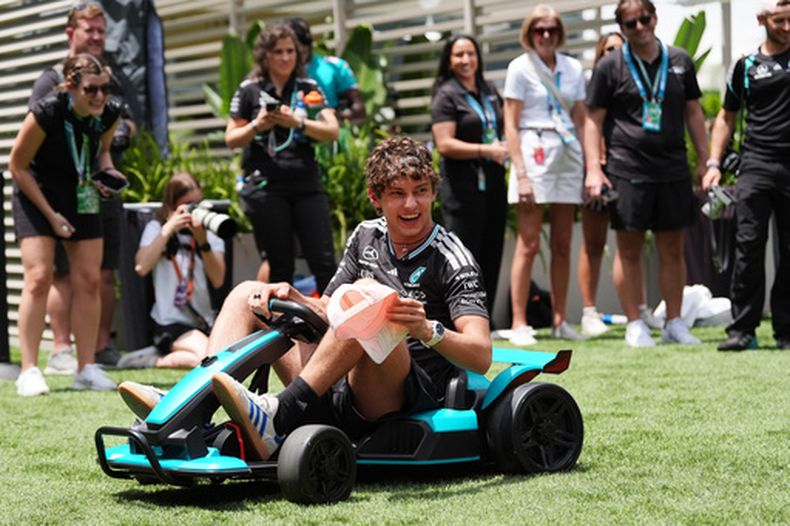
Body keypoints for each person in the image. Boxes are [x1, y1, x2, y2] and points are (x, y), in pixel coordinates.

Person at [118, 136, 492, 461]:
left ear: (432, 192)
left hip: (394, 396)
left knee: (374, 298)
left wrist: (428, 329)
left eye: (420, 191)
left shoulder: (450, 256)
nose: (411, 204)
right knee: (248, 293)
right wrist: (294, 296)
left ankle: (280, 415)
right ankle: (193, 409)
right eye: (398, 193)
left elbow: (481, 353)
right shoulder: (365, 236)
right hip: (334, 380)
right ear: (375, 198)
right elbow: (330, 307)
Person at [584, 0, 709, 348]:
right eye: (630, 23)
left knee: (672, 247)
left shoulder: (680, 60)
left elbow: (694, 113)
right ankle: (636, 323)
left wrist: (705, 159)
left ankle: (674, 322)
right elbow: (593, 121)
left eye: (644, 19)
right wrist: (594, 169)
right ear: (621, 28)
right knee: (629, 247)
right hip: (627, 168)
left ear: (654, 18)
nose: (639, 27)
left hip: (672, 167)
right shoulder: (610, 65)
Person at [28, 1, 136, 374]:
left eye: (101, 31)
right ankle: (59, 349)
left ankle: (95, 352)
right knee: (55, 274)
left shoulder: (110, 81)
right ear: (71, 33)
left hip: (94, 187)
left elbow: (124, 130)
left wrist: (108, 169)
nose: (96, 37)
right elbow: (34, 148)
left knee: (99, 273)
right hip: (52, 190)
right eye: (89, 30)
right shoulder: (49, 83)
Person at [10, 54, 122, 396]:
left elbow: (103, 152)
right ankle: (28, 370)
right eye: (91, 89)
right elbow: (18, 165)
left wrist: (108, 174)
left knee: (89, 280)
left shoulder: (109, 113)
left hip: (81, 193)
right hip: (36, 195)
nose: (100, 96)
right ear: (71, 87)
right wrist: (51, 215)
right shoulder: (47, 111)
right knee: (40, 277)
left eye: (104, 88)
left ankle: (86, 367)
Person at [226, 23, 339, 294]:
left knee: (324, 262)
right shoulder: (249, 90)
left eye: (291, 51)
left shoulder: (307, 87)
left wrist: (296, 122)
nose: (286, 57)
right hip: (267, 186)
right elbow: (231, 138)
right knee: (280, 266)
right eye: (279, 51)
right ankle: (286, 332)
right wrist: (257, 125)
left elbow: (332, 130)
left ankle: (334, 329)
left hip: (306, 183)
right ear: (266, 55)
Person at [703, 0, 790, 351]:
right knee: (748, 247)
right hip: (755, 164)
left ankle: (786, 330)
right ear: (763, 19)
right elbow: (726, 116)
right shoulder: (746, 65)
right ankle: (743, 330)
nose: (787, 27)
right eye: (780, 20)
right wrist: (713, 163)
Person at [503, 5, 587, 346]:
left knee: (564, 244)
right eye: (540, 30)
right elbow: (511, 124)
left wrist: (591, 161)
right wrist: (521, 173)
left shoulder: (574, 67)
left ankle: (559, 320)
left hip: (567, 152)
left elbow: (581, 118)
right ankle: (520, 322)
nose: (547, 35)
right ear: (529, 33)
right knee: (529, 242)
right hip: (533, 152)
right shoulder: (519, 68)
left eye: (552, 29)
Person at [576, 32, 662, 337]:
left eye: (619, 48)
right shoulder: (594, 87)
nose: (615, 53)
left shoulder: (639, 84)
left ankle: (638, 308)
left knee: (632, 244)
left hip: (631, 172)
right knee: (594, 243)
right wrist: (594, 168)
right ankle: (588, 311)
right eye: (608, 49)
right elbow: (587, 127)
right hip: (598, 174)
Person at [431, 34, 508, 316]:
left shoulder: (488, 90)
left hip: (494, 184)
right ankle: (462, 321)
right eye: (459, 55)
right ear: (449, 61)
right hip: (462, 189)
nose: (466, 60)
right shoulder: (445, 94)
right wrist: (485, 150)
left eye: (470, 54)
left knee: (492, 253)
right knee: (465, 257)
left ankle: (486, 324)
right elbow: (444, 143)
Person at [117, 173, 226, 369]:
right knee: (209, 358)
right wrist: (168, 229)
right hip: (169, 322)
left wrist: (203, 242)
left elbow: (218, 279)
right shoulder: (156, 228)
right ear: (171, 206)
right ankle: (154, 360)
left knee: (219, 357)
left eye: (197, 204)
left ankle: (158, 356)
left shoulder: (208, 233)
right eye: (187, 205)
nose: (192, 211)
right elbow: (141, 267)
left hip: (203, 321)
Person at [284, 17, 366, 124]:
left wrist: (331, 119)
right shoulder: (276, 72)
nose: (298, 57)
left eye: (302, 51)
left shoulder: (334, 66)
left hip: (328, 134)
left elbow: (359, 109)